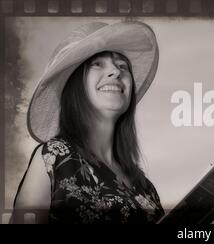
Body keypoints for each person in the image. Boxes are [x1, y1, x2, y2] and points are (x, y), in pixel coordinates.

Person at [12, 21, 164, 224]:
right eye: (97, 64)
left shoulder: (145, 188)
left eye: (122, 66)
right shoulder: (54, 158)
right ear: (76, 84)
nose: (116, 72)